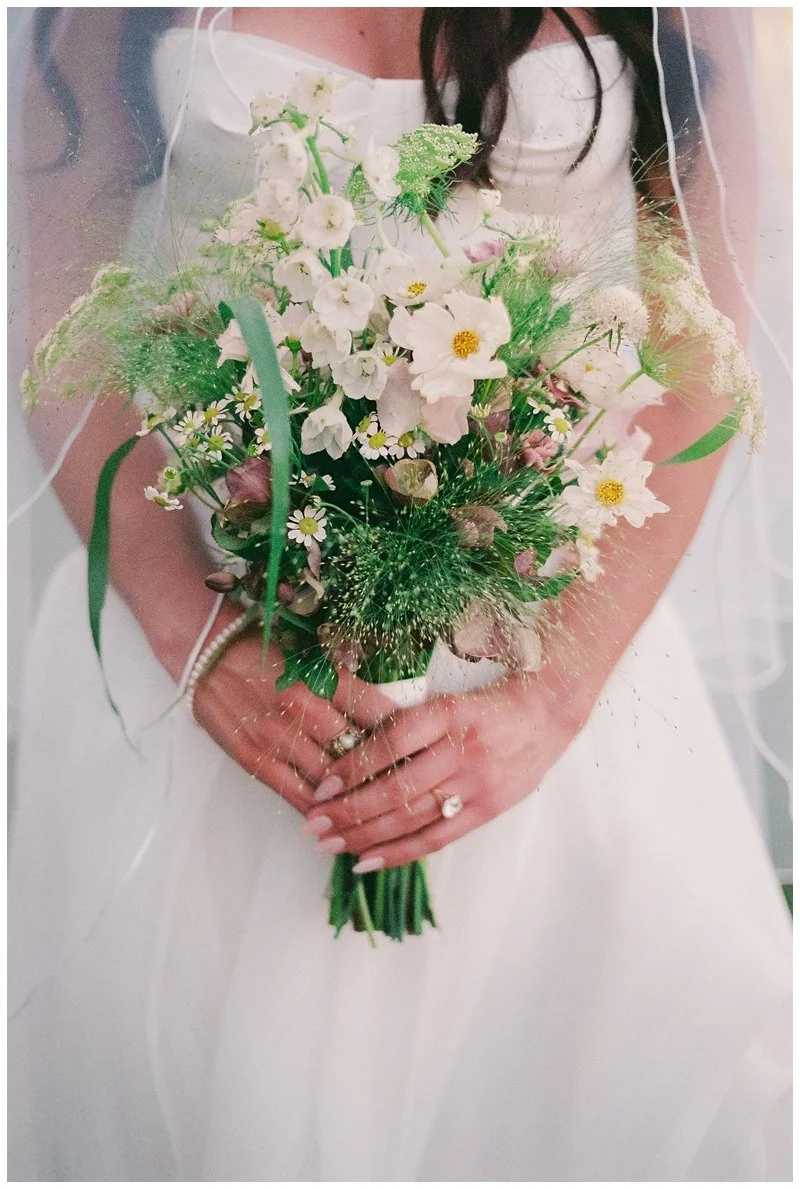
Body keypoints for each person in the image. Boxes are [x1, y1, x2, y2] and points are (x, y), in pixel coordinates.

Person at [8, 7, 791, 1180]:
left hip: (541, 669)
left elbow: (704, 329)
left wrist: (556, 691)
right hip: (213, 675)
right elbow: (53, 272)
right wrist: (193, 633)